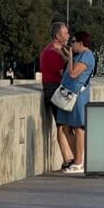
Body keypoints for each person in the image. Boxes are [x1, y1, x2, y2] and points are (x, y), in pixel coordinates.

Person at [55, 32, 96, 174]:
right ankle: (76, 159)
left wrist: (71, 57)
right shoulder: (79, 55)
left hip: (78, 96)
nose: (72, 45)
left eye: (73, 42)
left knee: (78, 128)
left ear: (81, 43)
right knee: (66, 127)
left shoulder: (86, 56)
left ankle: (79, 163)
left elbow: (73, 74)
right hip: (68, 94)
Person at [38, 22, 69, 170]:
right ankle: (66, 158)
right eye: (65, 33)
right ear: (57, 36)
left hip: (59, 89)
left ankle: (70, 157)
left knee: (65, 124)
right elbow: (65, 73)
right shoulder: (51, 52)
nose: (68, 36)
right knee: (61, 124)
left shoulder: (61, 50)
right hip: (54, 90)